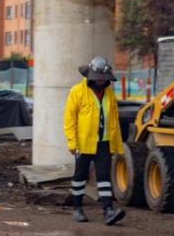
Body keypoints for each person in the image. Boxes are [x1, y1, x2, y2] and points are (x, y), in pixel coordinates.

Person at [63, 56, 125, 226]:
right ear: (90, 75)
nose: (100, 80)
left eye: (103, 78)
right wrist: (72, 142)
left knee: (104, 176)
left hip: (104, 142)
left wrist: (116, 144)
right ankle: (77, 209)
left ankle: (108, 210)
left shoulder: (109, 94)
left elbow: (114, 120)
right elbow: (70, 118)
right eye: (97, 77)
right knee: (80, 176)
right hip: (83, 142)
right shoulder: (77, 91)